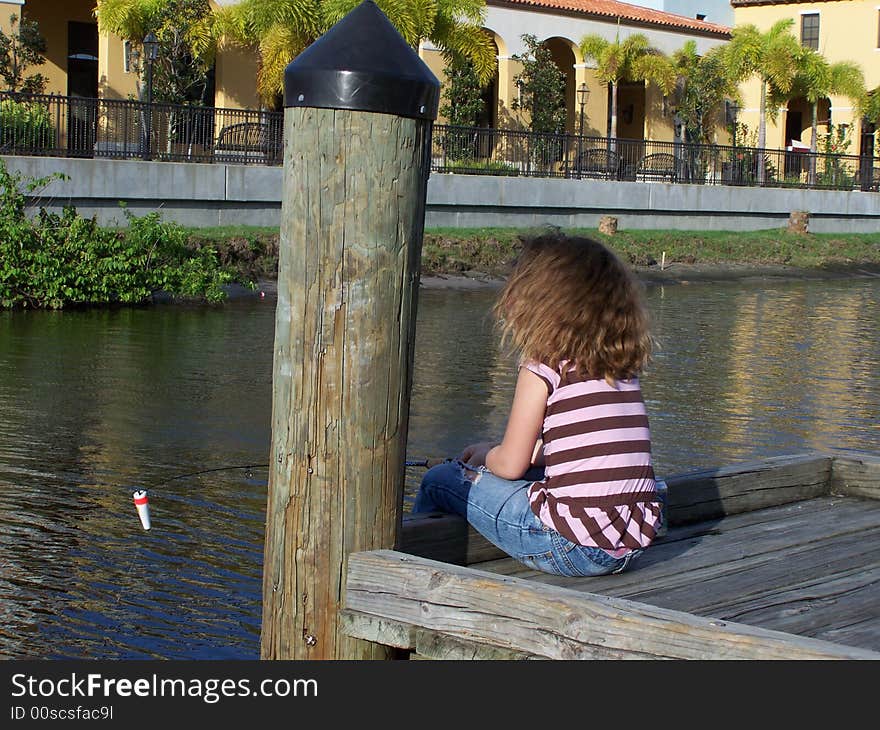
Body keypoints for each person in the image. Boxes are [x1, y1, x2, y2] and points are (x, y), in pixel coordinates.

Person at [412, 231, 661, 577]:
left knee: (442, 479)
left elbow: (510, 465)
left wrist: (485, 454)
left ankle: (414, 567)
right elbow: (588, 449)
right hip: (630, 543)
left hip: (569, 546)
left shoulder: (543, 366)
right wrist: (535, 454)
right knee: (525, 477)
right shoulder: (619, 369)